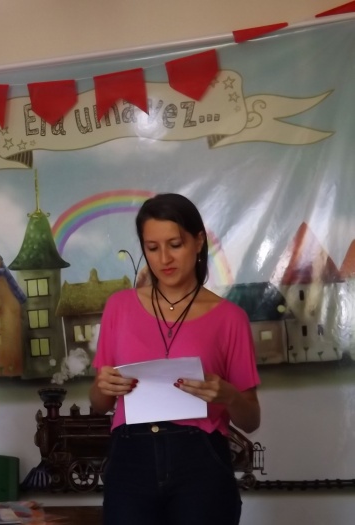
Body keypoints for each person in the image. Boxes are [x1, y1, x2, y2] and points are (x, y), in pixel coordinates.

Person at [89, 193, 260, 525]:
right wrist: (103, 387)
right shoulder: (119, 307)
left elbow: (251, 419)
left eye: (175, 245)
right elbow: (99, 403)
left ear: (198, 242)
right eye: (152, 248)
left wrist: (229, 396)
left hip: (201, 459)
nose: (164, 258)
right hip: (130, 458)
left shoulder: (230, 318)